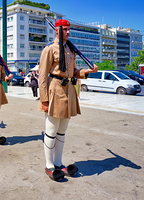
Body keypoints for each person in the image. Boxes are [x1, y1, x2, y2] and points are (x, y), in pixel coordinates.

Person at [38, 19, 98, 181]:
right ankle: (49, 164)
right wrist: (44, 99)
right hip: (55, 89)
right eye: (65, 30)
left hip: (68, 91)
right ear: (57, 30)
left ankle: (58, 162)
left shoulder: (70, 49)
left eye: (68, 30)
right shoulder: (50, 49)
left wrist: (88, 71)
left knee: (62, 131)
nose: (68, 32)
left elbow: (73, 71)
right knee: (51, 130)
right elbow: (42, 76)